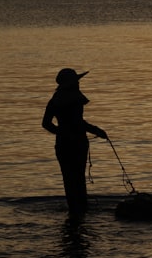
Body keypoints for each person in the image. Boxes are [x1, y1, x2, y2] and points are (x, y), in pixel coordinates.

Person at [42, 68, 108, 215]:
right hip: (77, 144)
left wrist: (61, 132)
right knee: (78, 178)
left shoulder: (55, 99)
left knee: (69, 179)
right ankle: (80, 210)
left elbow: (46, 123)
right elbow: (78, 123)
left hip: (63, 144)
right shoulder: (74, 99)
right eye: (76, 81)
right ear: (71, 83)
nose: (78, 83)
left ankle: (75, 211)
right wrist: (97, 131)